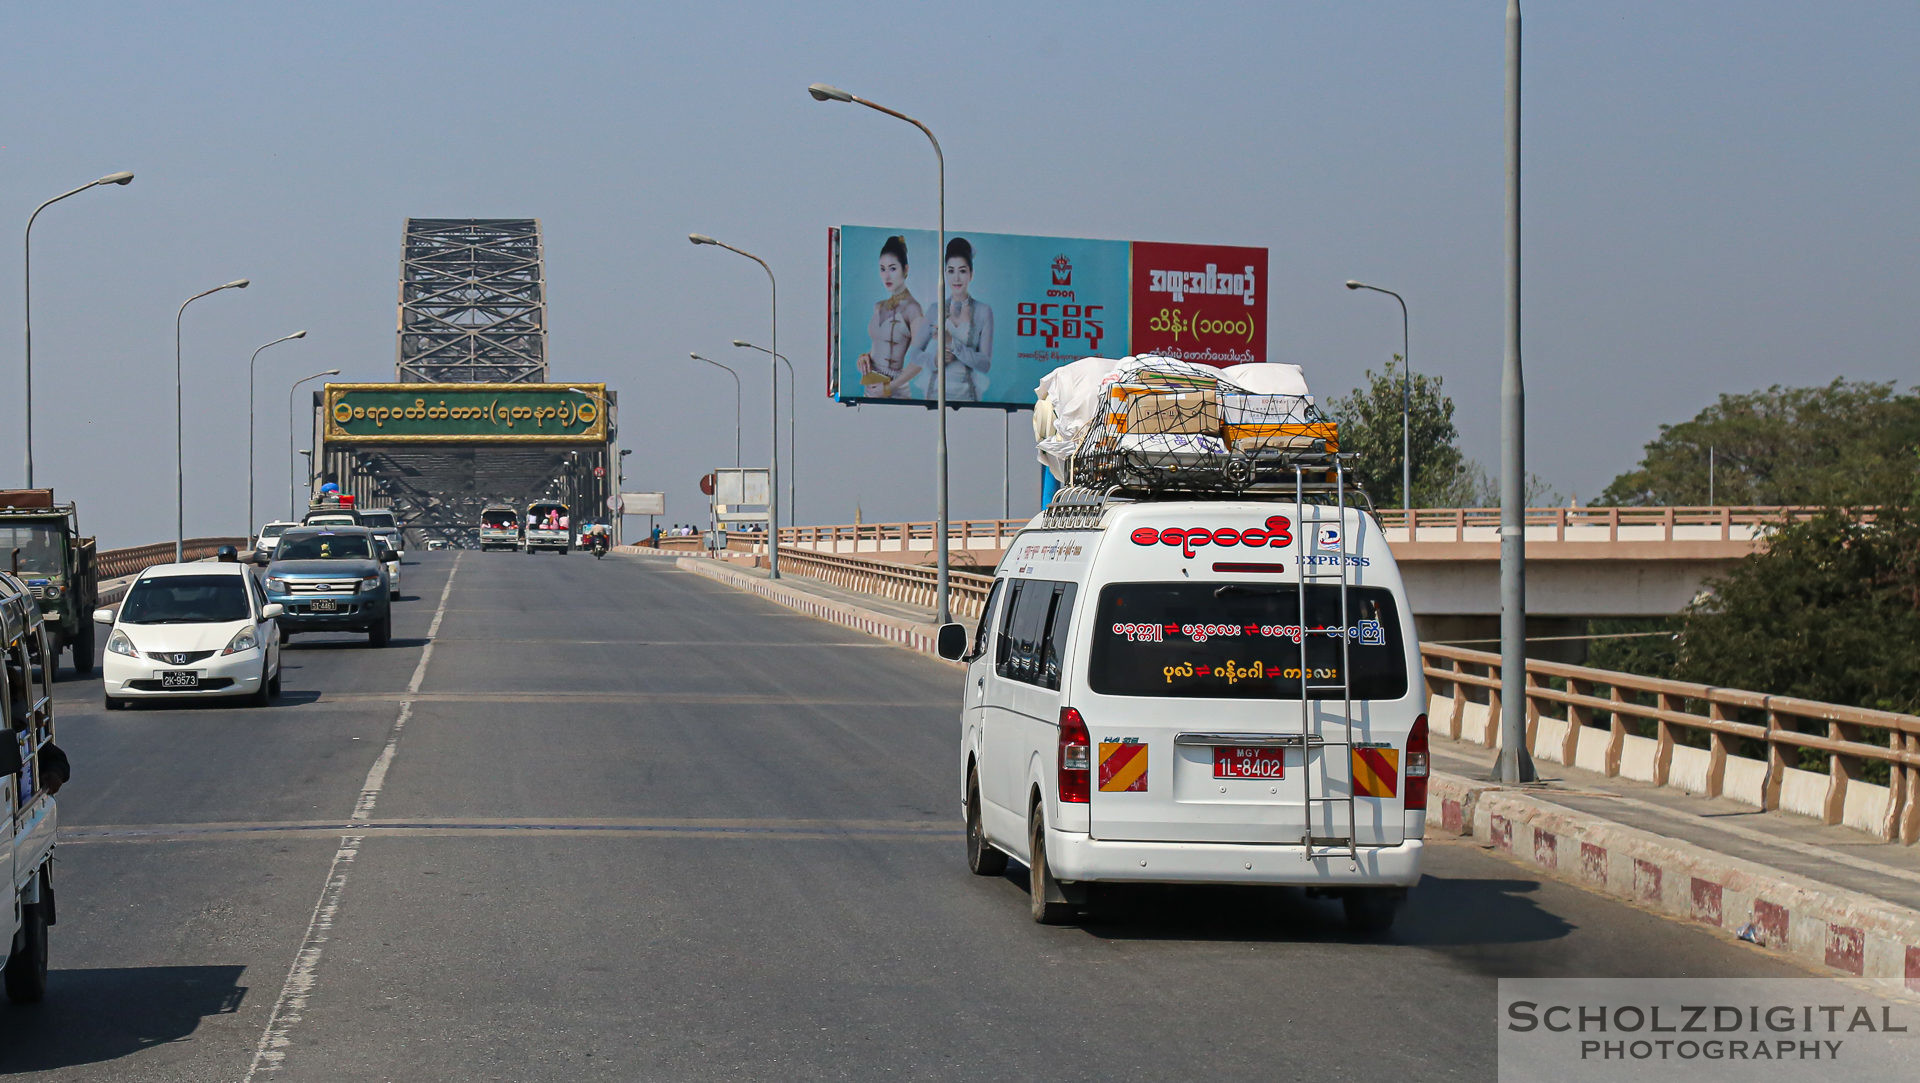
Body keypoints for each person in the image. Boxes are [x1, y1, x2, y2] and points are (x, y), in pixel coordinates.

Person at [855, 235, 926, 400]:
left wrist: (889, 387)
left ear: (905, 269)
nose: (887, 276)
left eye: (893, 268)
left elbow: (921, 358)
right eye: (882, 269)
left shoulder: (913, 309)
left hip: (895, 390)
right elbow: (879, 346)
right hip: (870, 386)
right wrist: (864, 357)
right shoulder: (878, 306)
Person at [932, 236, 994, 402]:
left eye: (962, 271)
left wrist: (953, 344)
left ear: (971, 274)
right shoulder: (935, 310)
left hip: (968, 397)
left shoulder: (983, 311)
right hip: (934, 396)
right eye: (951, 271)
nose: (956, 278)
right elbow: (915, 354)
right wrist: (936, 360)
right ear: (944, 273)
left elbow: (985, 364)